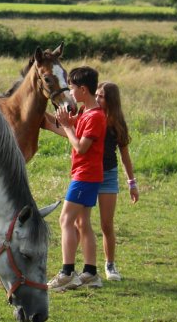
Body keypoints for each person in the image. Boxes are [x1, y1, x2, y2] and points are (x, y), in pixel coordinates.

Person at [43, 66, 138, 290]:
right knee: (81, 222)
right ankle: (90, 273)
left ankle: (67, 273)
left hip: (85, 175)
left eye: (72, 88)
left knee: (65, 220)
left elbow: (80, 147)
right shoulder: (87, 113)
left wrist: (67, 127)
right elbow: (70, 130)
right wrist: (53, 121)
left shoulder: (95, 117)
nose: (70, 92)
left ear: (83, 90)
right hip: (86, 174)